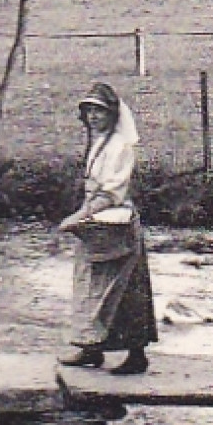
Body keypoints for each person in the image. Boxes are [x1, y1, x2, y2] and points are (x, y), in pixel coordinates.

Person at [57, 82, 158, 375]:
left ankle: (136, 355)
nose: (93, 117)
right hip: (96, 226)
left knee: (125, 292)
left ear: (112, 114)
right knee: (90, 286)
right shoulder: (98, 142)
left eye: (99, 111)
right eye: (88, 111)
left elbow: (112, 191)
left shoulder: (119, 147)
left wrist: (79, 215)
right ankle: (91, 349)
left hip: (116, 225)